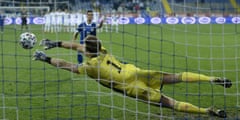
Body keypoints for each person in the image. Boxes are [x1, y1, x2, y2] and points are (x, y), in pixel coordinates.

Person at [33, 35, 232, 118]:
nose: (81, 48)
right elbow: (78, 46)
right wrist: (57, 43)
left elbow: (67, 65)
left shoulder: (90, 67)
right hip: (134, 71)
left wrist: (46, 58)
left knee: (170, 103)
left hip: (132, 86)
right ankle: (211, 78)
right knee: (175, 76)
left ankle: (207, 111)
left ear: (87, 51)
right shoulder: (103, 51)